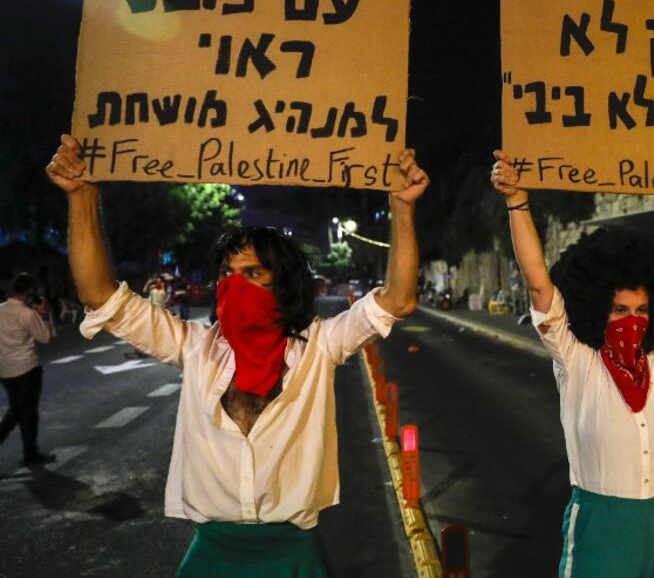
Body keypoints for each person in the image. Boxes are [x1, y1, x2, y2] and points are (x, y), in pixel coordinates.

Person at [46, 133, 427, 577]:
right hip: (211, 556)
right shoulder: (193, 346)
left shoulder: (319, 347)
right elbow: (99, 296)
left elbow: (397, 300)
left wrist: (401, 207)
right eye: (227, 273)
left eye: (252, 273)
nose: (234, 284)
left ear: (281, 282)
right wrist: (81, 196)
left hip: (293, 555)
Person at [491, 149, 654, 577]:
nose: (631, 321)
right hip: (602, 528)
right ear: (597, 308)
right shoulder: (576, 358)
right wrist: (517, 202)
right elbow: (540, 284)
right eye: (619, 310)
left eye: (641, 310)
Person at [0, 273, 57, 466]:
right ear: (29, 292)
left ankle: (30, 452)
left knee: (16, 410)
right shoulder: (27, 314)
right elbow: (45, 337)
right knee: (28, 412)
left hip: (5, 371)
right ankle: (30, 453)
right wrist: (45, 315)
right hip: (26, 368)